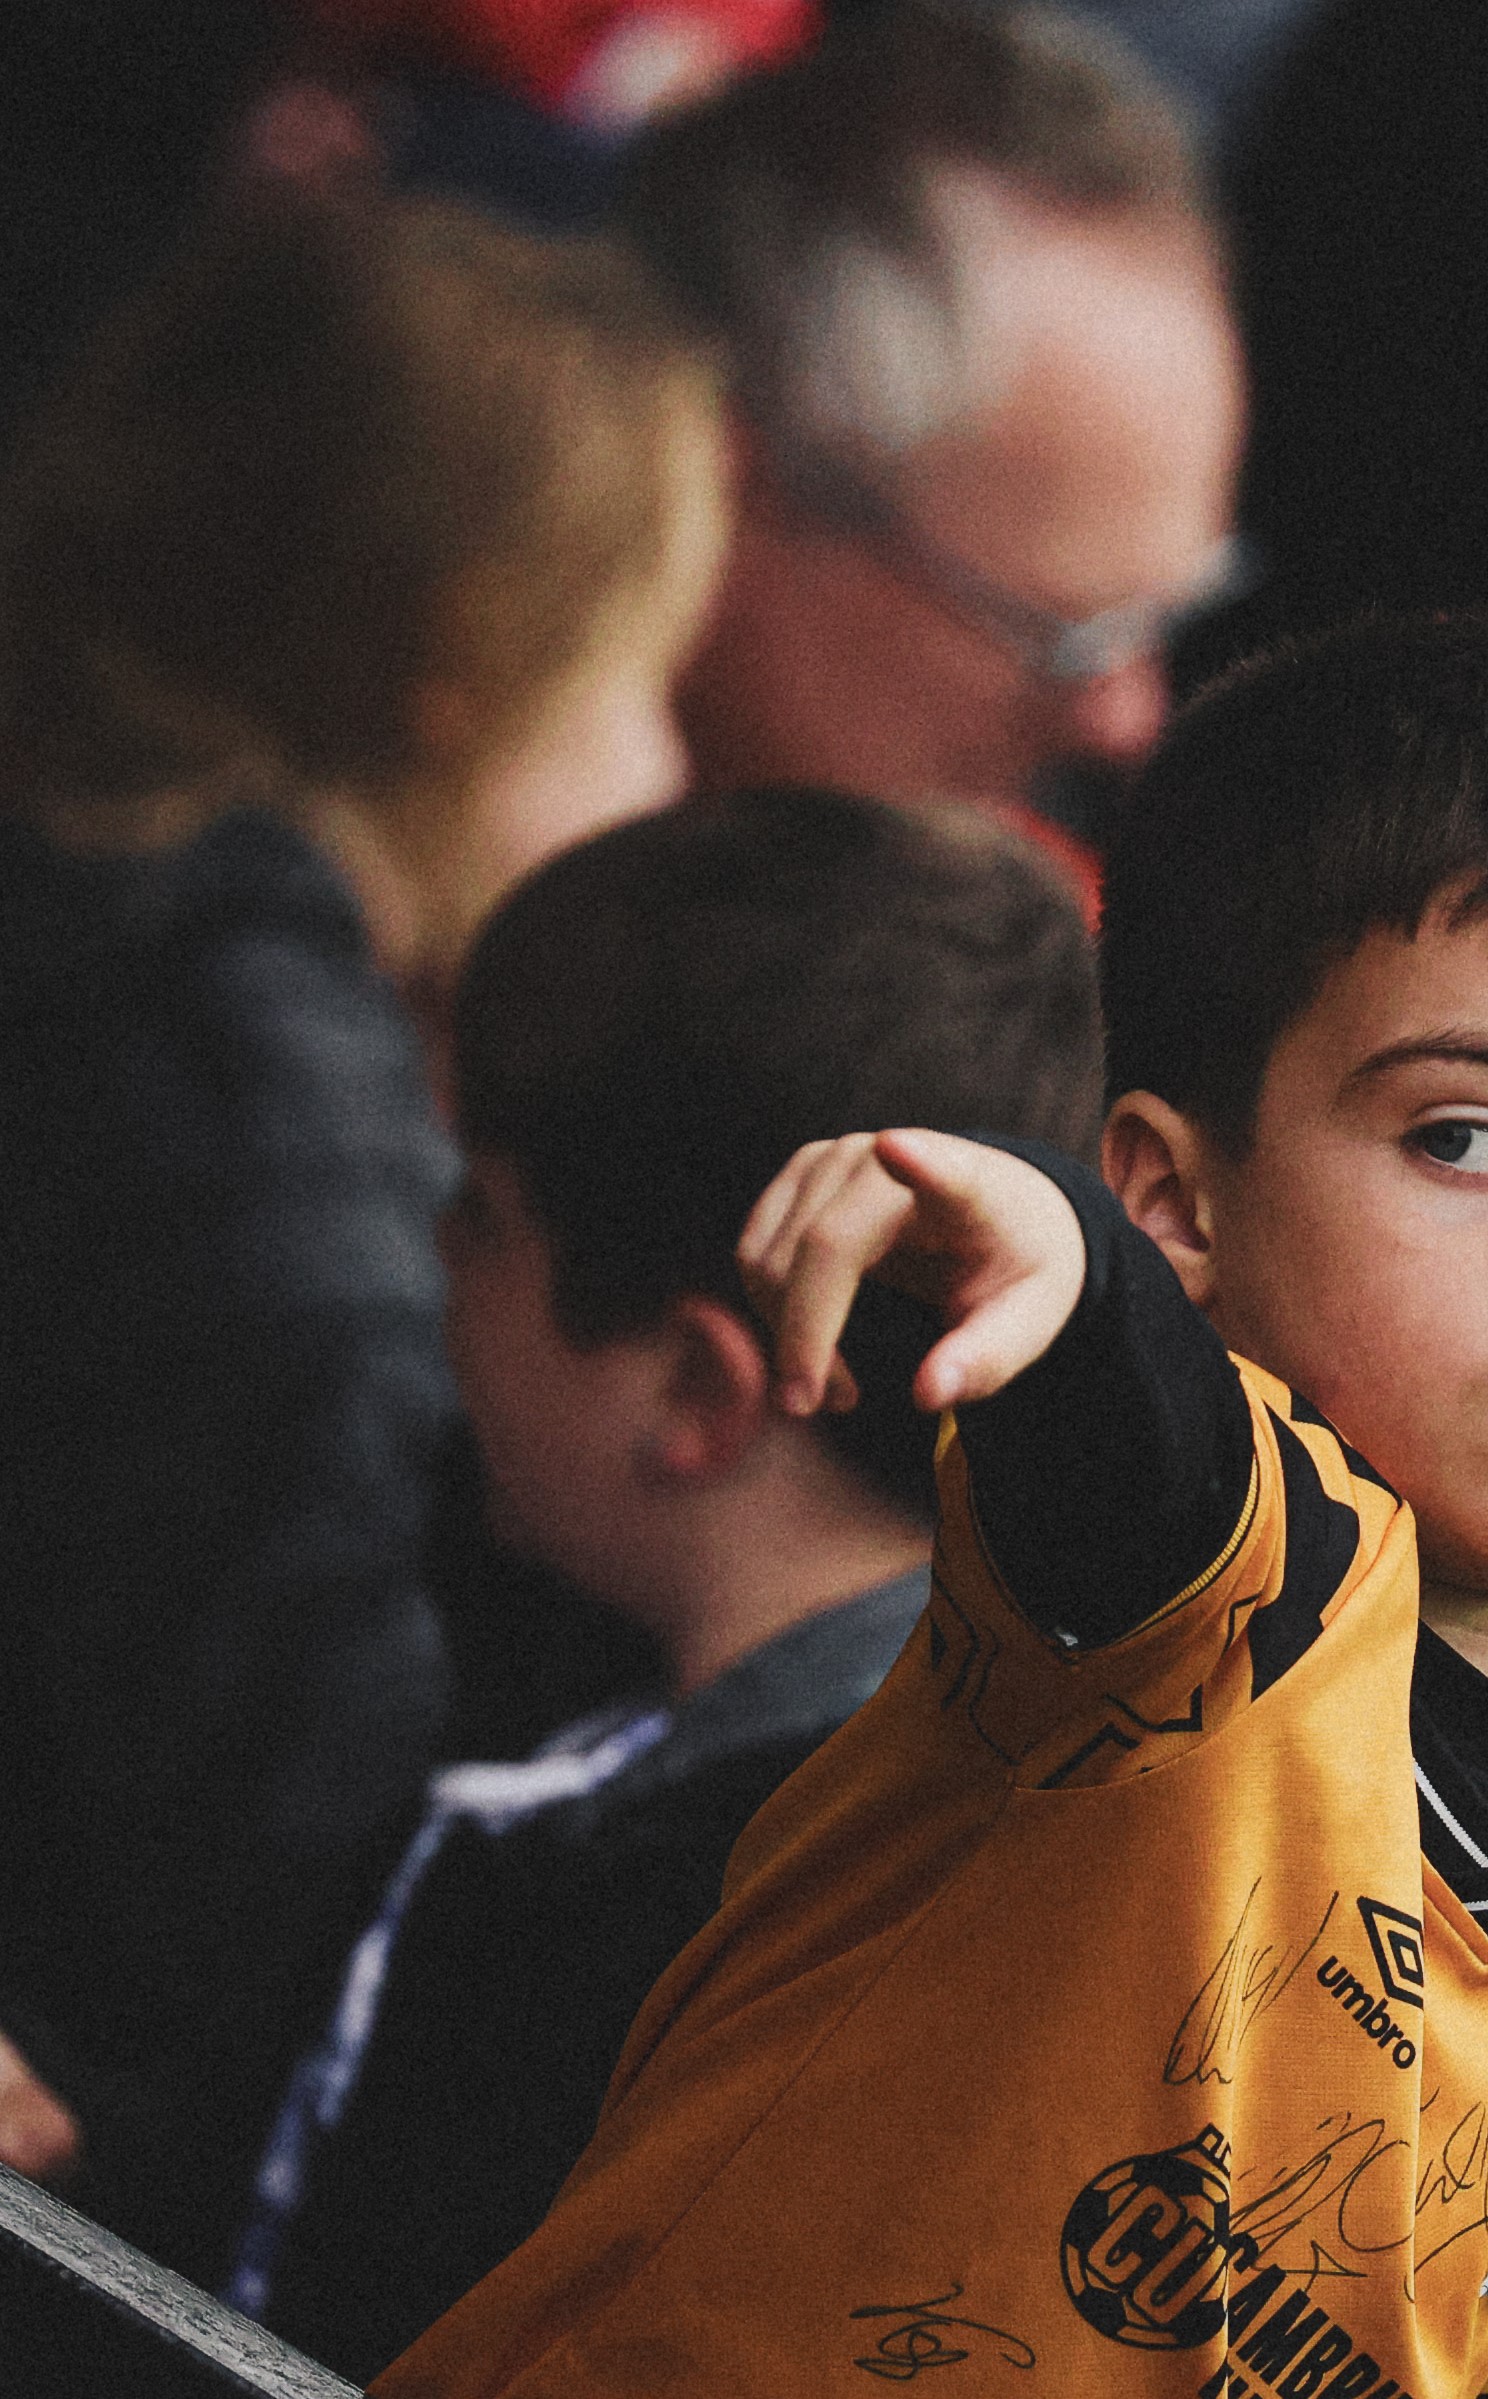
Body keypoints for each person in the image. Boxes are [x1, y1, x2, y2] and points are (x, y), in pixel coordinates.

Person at [379, 613, 1488, 2399]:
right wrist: (1062, 1266)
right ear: (1173, 1193)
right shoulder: (1211, 1575)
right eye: (1468, 1133)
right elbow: (1137, 1429)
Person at [0, 190, 723, 2286]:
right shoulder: (261, 1138)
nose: (669, 765)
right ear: (462, 664)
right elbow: (293, 1844)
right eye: (638, 679)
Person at [224, 787, 1101, 2382]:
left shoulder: (656, 1907)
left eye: (480, 1220)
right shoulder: (1031, 1799)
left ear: (701, 1391)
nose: (436, 1270)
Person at [619, 0, 1242, 893]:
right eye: (1062, 632)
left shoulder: (1077, 956)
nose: (1130, 721)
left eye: (1158, 620)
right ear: (729, 490)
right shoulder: (402, 965)